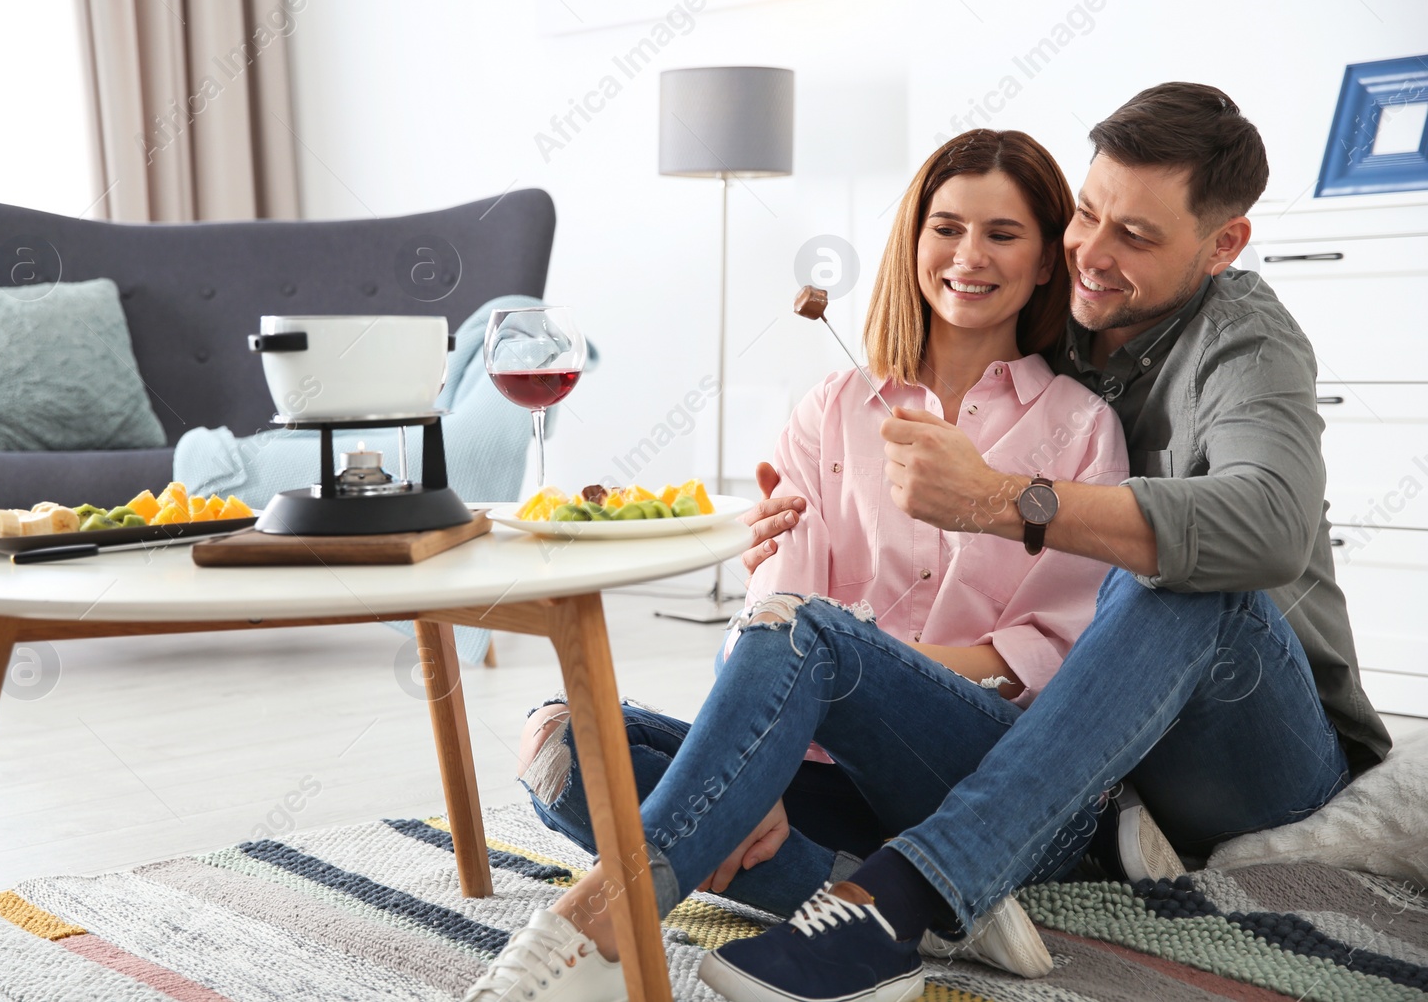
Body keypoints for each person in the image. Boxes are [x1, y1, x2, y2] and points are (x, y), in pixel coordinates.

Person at [696, 83, 1391, 1002]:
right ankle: (916, 879)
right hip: (1099, 755)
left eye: (1136, 237)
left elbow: (1266, 521)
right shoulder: (1063, 318)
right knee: (596, 748)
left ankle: (908, 894)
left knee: (1174, 570)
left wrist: (1000, 499)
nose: (1093, 256)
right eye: (1088, 216)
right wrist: (787, 541)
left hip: (1252, 741)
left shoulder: (1247, 343)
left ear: (1223, 244)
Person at [460, 127, 1130, 1002]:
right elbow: (779, 592)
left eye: (1003, 234)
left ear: (1046, 261)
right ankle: (903, 906)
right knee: (560, 742)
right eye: (947, 227)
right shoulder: (836, 406)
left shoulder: (1080, 428)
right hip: (823, 771)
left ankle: (596, 928)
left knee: (814, 638)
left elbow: (1055, 649)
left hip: (974, 766)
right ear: (915, 241)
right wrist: (755, 771)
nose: (970, 255)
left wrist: (853, 680)